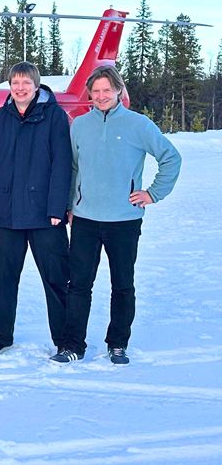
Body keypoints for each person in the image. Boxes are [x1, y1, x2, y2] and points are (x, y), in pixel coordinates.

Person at [51, 66, 181, 365]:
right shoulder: (79, 126)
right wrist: (70, 203)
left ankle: (118, 343)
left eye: (106, 90)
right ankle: (73, 345)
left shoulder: (139, 125)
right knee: (79, 284)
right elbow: (72, 168)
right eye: (95, 91)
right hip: (85, 219)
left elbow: (171, 157)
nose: (100, 96)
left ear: (119, 91)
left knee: (123, 284)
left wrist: (152, 193)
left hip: (124, 220)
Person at [0, 61, 72, 355]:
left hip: (45, 216)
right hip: (8, 214)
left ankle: (64, 339)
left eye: (25, 83)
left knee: (55, 278)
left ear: (36, 85)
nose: (19, 88)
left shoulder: (54, 116)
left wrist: (57, 207)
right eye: (15, 83)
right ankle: (2, 335)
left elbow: (62, 164)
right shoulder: (1, 118)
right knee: (4, 277)